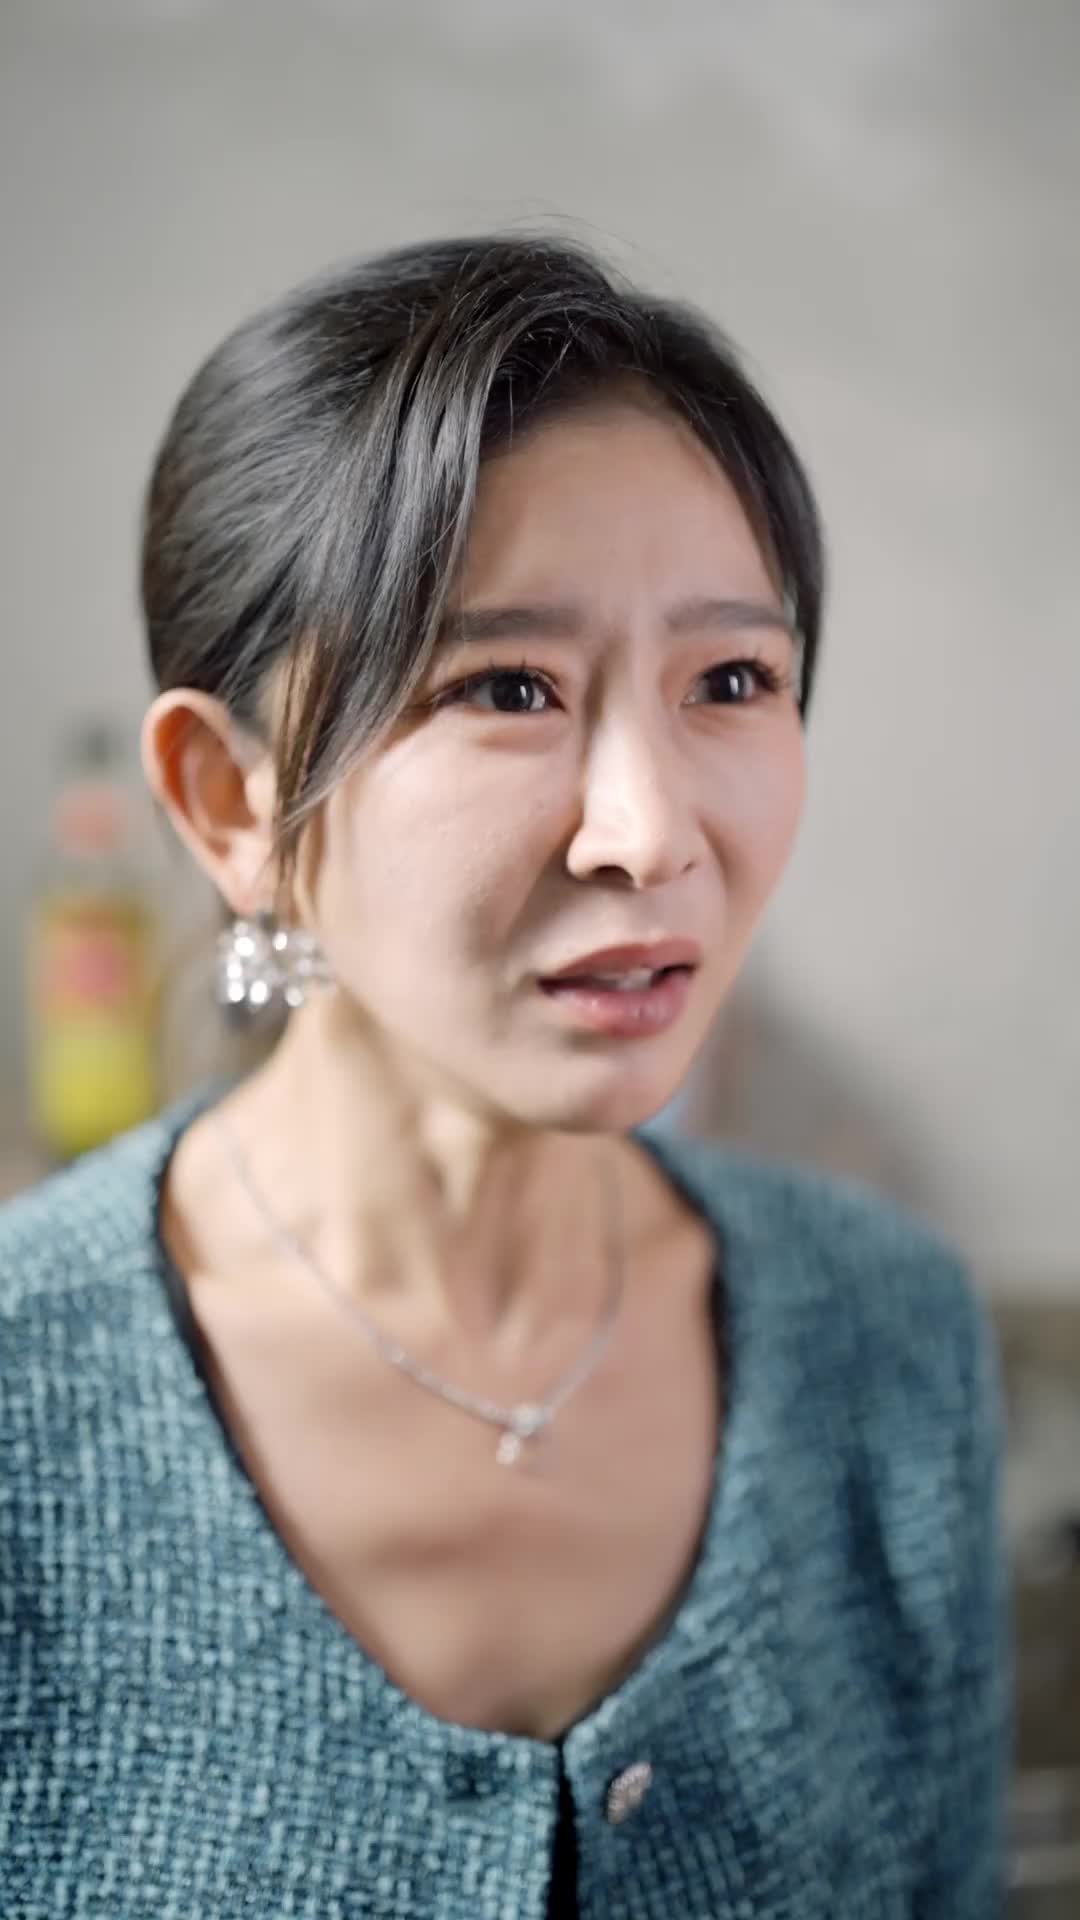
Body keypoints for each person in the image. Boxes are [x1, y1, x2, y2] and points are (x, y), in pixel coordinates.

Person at [0, 234, 1010, 1918]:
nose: (649, 833)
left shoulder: (889, 1347)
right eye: (507, 686)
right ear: (232, 804)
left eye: (732, 680)